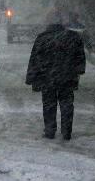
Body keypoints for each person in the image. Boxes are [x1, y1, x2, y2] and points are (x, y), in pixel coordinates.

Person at [26, 9, 86, 141]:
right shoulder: (73, 37)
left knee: (48, 104)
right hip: (67, 77)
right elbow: (80, 57)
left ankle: (50, 130)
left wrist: (31, 77)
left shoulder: (42, 38)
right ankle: (66, 131)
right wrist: (78, 71)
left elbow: (34, 59)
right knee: (67, 104)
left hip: (47, 78)